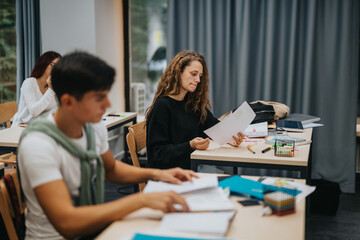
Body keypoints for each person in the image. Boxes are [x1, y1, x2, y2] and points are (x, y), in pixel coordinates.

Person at [17, 51, 197, 240]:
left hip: (95, 228)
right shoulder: (38, 143)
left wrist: (157, 174)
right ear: (68, 101)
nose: (107, 105)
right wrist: (142, 200)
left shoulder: (92, 127)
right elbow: (67, 223)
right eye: (98, 98)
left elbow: (110, 169)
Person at [146, 50, 244, 170]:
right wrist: (190, 145)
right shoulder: (162, 106)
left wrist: (230, 138)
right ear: (178, 73)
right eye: (193, 74)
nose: (198, 80)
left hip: (191, 168)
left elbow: (214, 126)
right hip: (170, 175)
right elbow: (157, 154)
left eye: (200, 76)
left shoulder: (191, 103)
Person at [12, 51, 61, 126]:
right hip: (21, 127)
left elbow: (57, 111)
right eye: (53, 65)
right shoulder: (29, 83)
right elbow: (34, 112)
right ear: (44, 64)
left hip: (40, 127)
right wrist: (51, 90)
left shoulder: (55, 86)